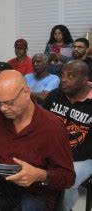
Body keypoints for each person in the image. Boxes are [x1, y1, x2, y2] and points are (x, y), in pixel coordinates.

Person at [0, 70, 75, 210]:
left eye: (9, 103)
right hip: (0, 184)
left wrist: (40, 175)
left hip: (34, 191)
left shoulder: (52, 127)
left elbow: (68, 177)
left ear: (26, 92)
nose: (3, 109)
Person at [43, 60, 92, 211]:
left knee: (68, 181)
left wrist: (63, 157)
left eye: (71, 76)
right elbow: (42, 124)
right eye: (62, 74)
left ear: (85, 80)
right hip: (51, 151)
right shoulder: (55, 95)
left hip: (82, 157)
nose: (64, 79)